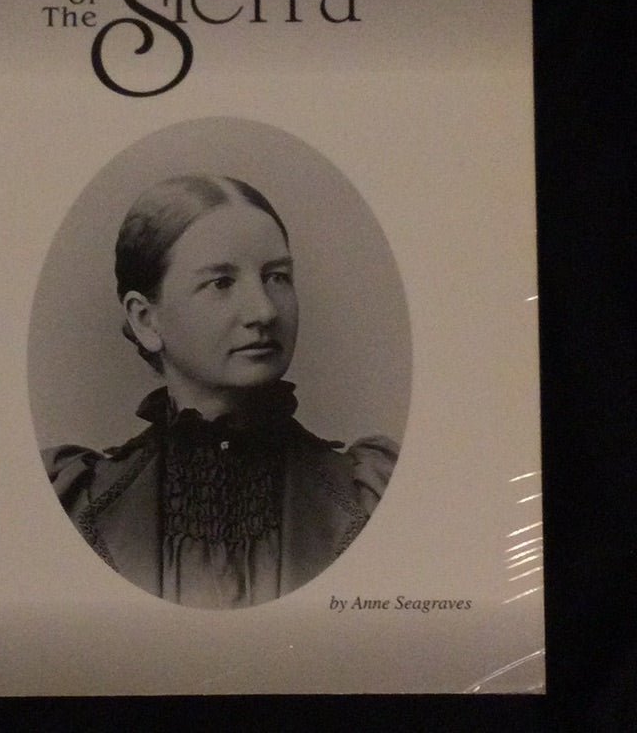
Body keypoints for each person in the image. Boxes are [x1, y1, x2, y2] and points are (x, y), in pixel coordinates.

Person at [45, 174, 398, 608]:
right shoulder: (71, 505)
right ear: (146, 320)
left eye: (277, 277)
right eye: (221, 283)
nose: (264, 311)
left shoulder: (374, 493)